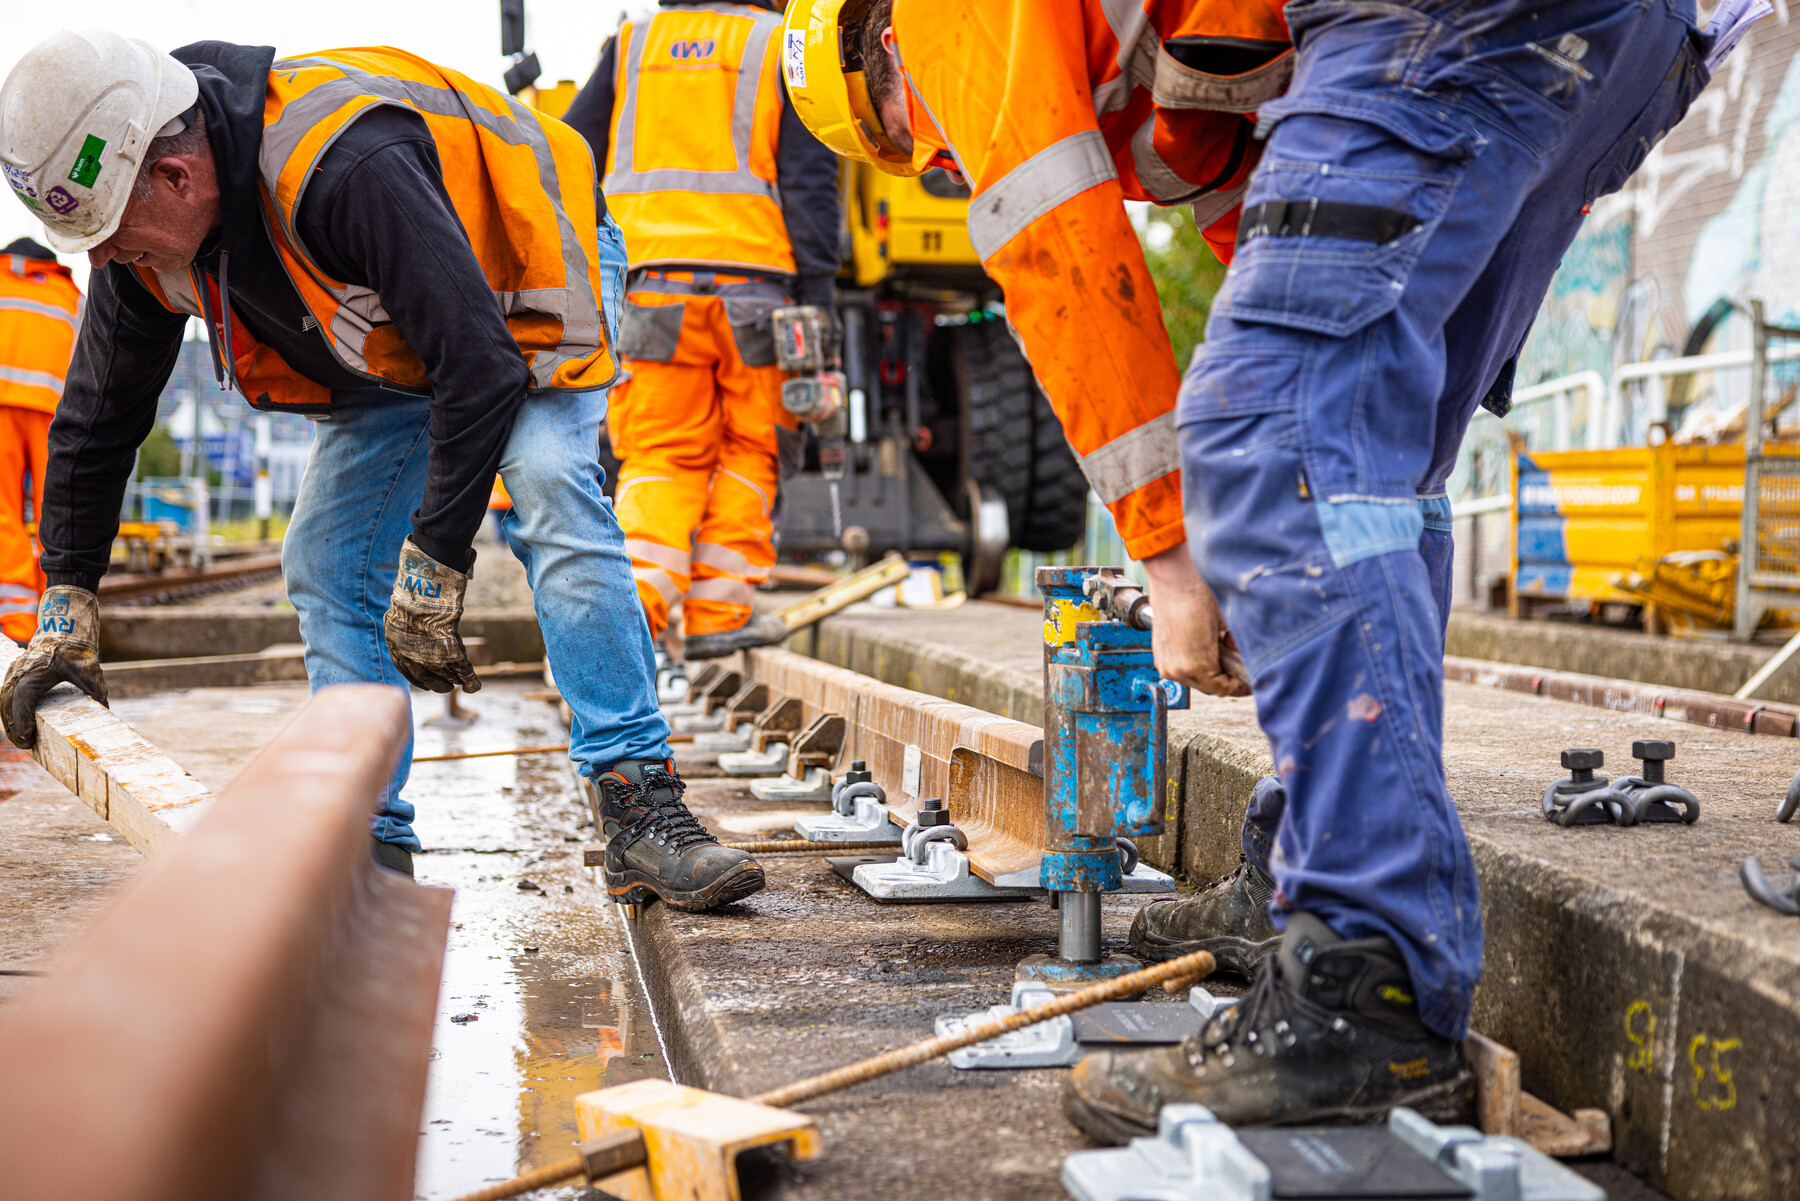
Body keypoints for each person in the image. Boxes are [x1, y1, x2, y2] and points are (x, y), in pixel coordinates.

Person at [784, 0, 1727, 1137]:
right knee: (1372, 458)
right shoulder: (1162, 60)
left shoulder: (939, 16)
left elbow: (1053, 244)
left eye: (901, 132)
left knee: (1271, 434)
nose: (937, 152)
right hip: (1625, 42)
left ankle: (1360, 987)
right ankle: (1309, 865)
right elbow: (1267, 230)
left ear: (878, 51)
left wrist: (1174, 554)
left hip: (1453, 21)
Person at [0, 31, 764, 910]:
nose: (99, 259)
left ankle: (640, 807)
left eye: (108, 234)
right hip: (407, 326)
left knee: (551, 486)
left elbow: (479, 368)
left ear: (177, 177)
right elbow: (97, 419)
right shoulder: (146, 239)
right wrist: (66, 602)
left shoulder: (340, 163)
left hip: (524, 282)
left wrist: (435, 564)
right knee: (326, 558)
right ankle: (370, 838)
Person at [560, 0, 842, 660]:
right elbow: (809, 182)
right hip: (758, 294)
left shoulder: (632, 44)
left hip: (650, 291)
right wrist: (820, 299)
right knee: (754, 449)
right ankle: (717, 615)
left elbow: (569, 152)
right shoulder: (778, 43)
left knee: (661, 457)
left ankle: (626, 630)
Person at [0, 238, 79, 645]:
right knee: (58, 516)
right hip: (56, 415)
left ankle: (15, 622)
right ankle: (56, 619)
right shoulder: (69, 297)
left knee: (4, 514)